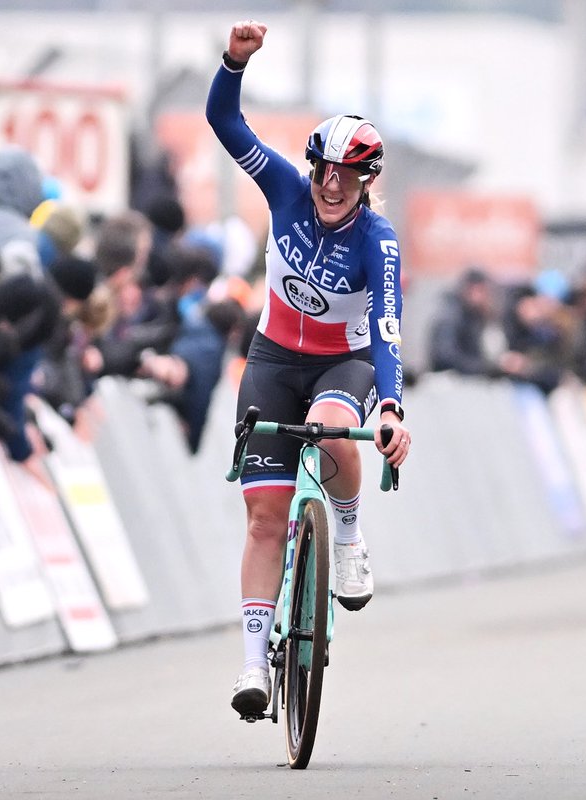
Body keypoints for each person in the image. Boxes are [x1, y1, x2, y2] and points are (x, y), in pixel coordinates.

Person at [207, 19, 410, 717]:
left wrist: (390, 410)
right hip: (269, 361)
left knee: (328, 432)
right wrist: (235, 62)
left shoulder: (377, 242)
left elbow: (386, 334)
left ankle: (349, 537)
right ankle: (251, 668)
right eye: (324, 170)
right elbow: (223, 121)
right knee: (265, 520)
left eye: (346, 175)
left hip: (339, 365)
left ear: (364, 181)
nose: (330, 184)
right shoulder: (286, 191)